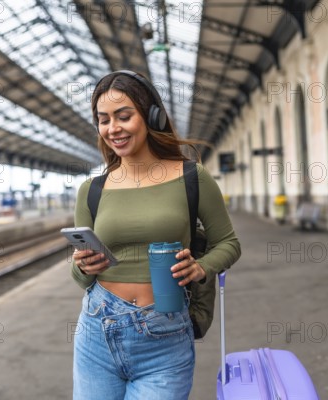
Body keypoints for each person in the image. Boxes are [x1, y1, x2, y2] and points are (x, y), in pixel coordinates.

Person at [70, 70, 241, 400]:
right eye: (103, 120)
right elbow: (80, 278)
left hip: (165, 334)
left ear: (151, 116)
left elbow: (229, 243)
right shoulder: (91, 190)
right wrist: (83, 266)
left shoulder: (191, 176)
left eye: (124, 116)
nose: (113, 129)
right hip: (96, 330)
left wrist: (201, 268)